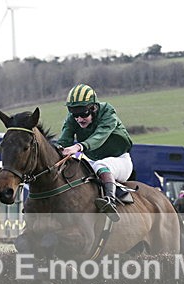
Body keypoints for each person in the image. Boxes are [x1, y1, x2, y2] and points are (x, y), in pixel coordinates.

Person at [56, 84, 133, 222]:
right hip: (92, 160)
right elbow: (64, 140)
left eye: (83, 114)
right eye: (75, 115)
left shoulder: (108, 112)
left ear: (94, 108)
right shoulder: (72, 119)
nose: (79, 119)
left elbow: (100, 136)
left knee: (100, 165)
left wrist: (79, 146)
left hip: (120, 160)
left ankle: (110, 201)